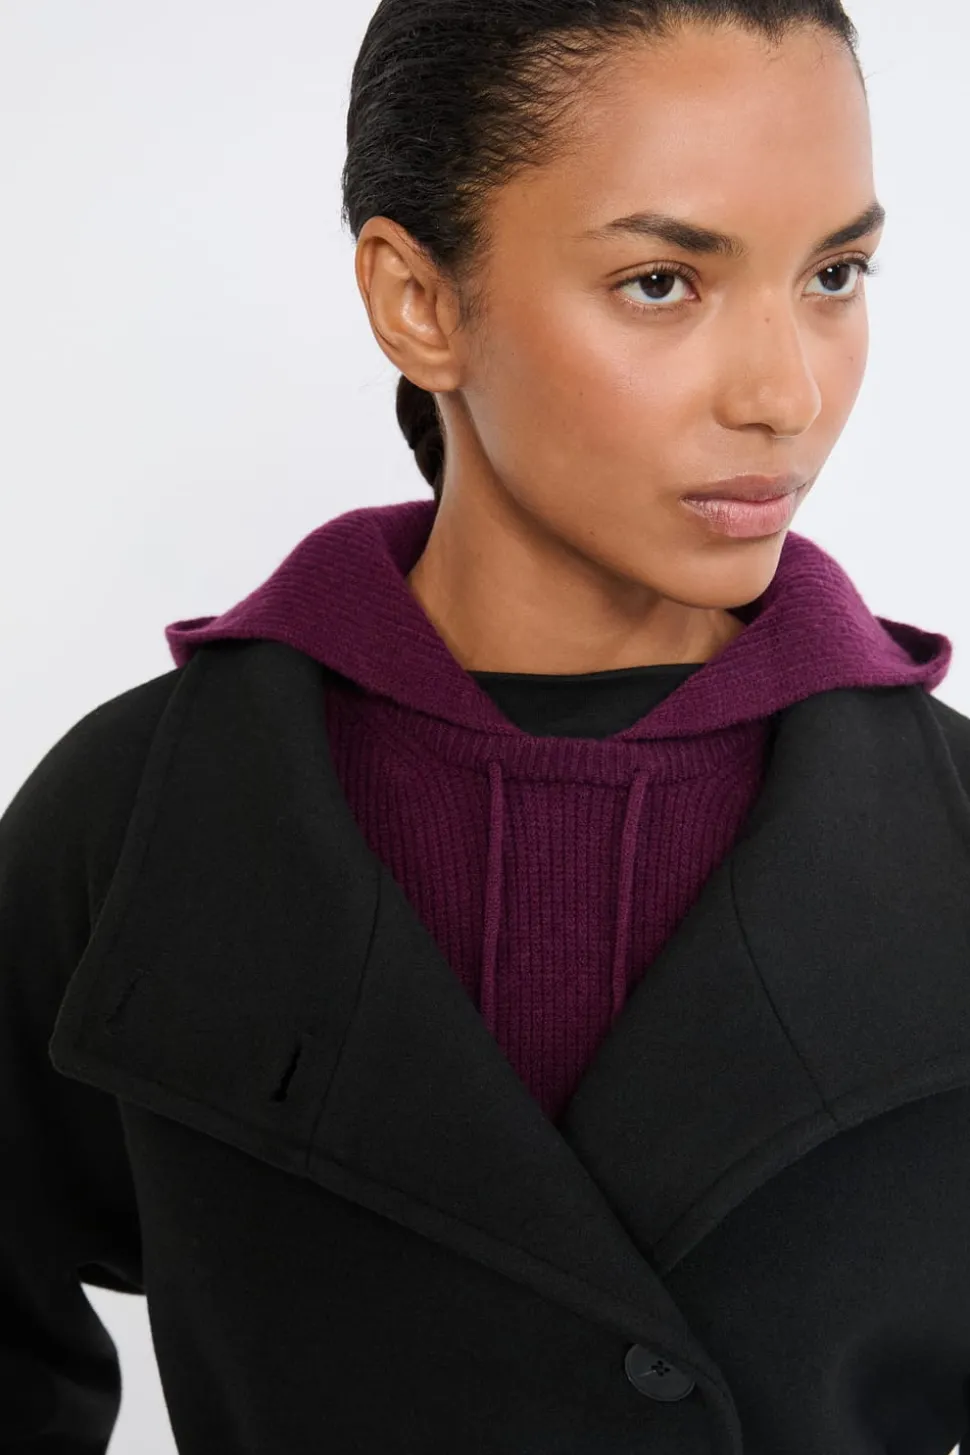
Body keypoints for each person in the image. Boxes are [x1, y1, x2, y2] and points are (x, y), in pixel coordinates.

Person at [2, 2, 969, 1453]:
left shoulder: (952, 840)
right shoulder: (141, 814)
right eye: (661, 281)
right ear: (419, 302)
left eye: (834, 273)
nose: (787, 394)